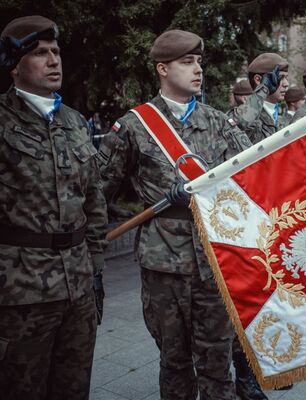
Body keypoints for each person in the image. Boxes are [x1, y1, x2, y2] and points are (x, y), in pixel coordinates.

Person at [0, 15, 107, 400]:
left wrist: (95, 268)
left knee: (73, 392)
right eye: (39, 53)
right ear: (12, 64)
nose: (53, 61)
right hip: (16, 296)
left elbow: (93, 200)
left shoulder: (75, 122)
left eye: (56, 52)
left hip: (77, 292)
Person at [96, 29, 252, 400]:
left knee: (217, 362)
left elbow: (252, 178)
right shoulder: (134, 125)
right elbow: (98, 191)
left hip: (216, 259)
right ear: (162, 69)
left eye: (199, 61)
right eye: (187, 62)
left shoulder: (219, 123)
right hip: (163, 264)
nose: (198, 69)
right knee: (175, 361)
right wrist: (89, 258)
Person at [228, 53, 289, 143]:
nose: (286, 83)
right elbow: (239, 124)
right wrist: (263, 88)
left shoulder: (281, 117)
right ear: (258, 80)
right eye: (280, 77)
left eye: (286, 77)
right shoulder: (246, 116)